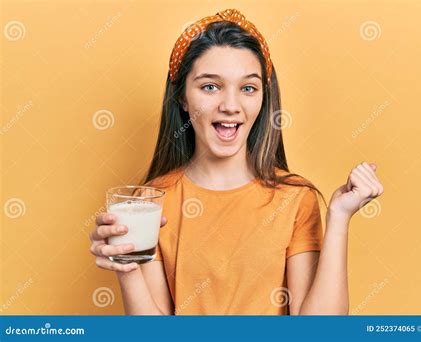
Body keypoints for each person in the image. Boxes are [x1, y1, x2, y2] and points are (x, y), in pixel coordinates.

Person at [89, 9, 384, 315]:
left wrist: (339, 217)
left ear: (263, 97)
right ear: (182, 98)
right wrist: (127, 268)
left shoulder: (295, 199)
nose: (231, 106)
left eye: (248, 88)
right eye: (210, 86)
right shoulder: (151, 203)